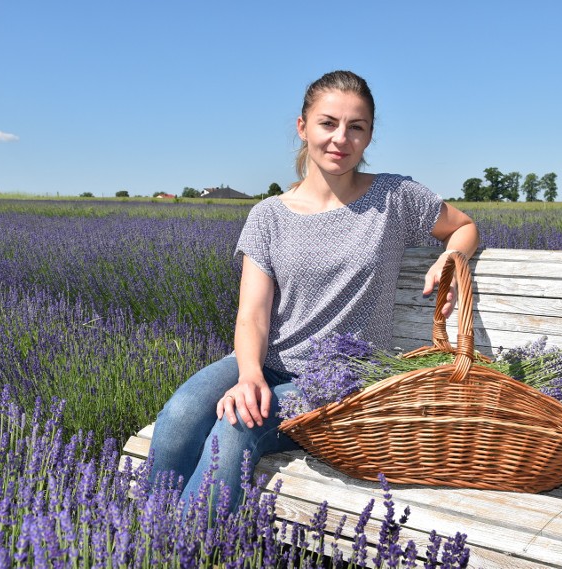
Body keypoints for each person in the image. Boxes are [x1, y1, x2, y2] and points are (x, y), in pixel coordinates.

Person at [148, 70, 479, 512]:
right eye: (328, 123)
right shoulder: (268, 216)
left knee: (235, 426)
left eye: (355, 127)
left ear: (369, 136)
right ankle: (147, 537)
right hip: (267, 364)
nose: (340, 138)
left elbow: (464, 226)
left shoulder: (395, 197)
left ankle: (182, 550)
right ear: (303, 128)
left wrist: (450, 258)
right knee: (180, 414)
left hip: (344, 380)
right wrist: (248, 375)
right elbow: (252, 315)